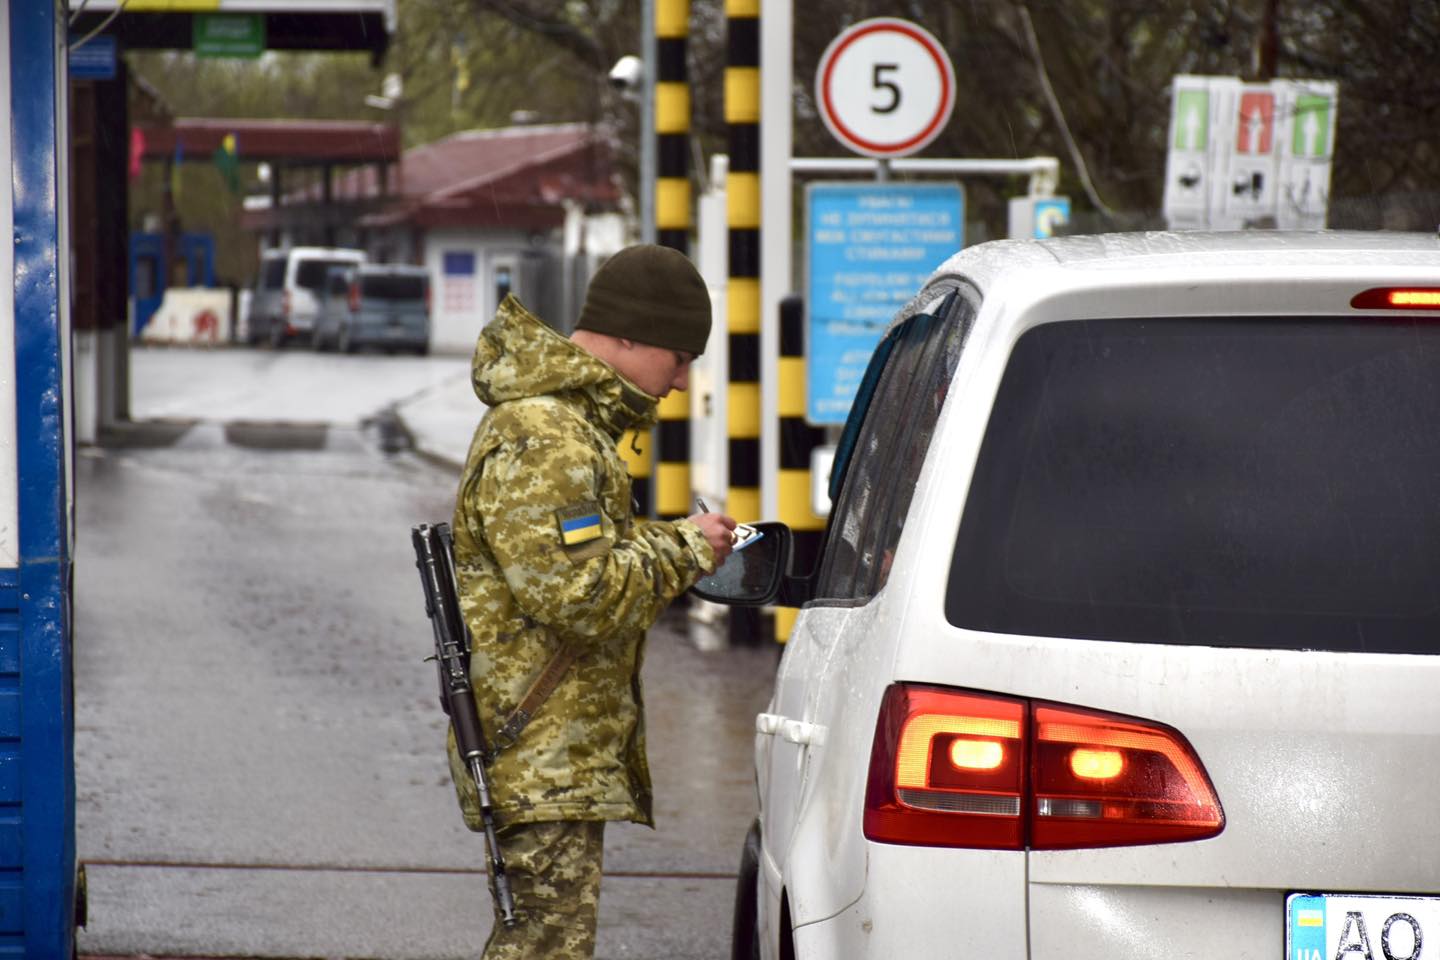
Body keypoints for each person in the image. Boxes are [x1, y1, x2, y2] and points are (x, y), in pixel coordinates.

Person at [447, 244, 737, 959]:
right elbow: (584, 596)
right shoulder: (549, 438)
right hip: (540, 750)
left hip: (548, 747)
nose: (681, 376)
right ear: (628, 336)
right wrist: (689, 549)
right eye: (678, 354)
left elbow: (578, 565)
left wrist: (665, 540)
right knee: (543, 950)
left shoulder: (566, 429)